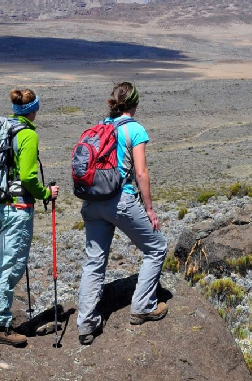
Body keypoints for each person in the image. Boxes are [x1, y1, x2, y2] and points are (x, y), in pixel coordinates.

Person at [77, 82, 168, 345]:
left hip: (92, 201)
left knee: (94, 261)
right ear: (135, 103)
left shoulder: (101, 125)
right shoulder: (134, 129)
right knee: (157, 247)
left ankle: (86, 324)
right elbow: (141, 173)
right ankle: (143, 306)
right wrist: (149, 209)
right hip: (121, 200)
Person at [0, 89, 59, 346]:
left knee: (2, 262)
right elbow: (28, 177)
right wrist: (46, 192)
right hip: (16, 208)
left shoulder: (4, 129)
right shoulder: (27, 134)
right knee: (11, 266)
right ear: (33, 110)